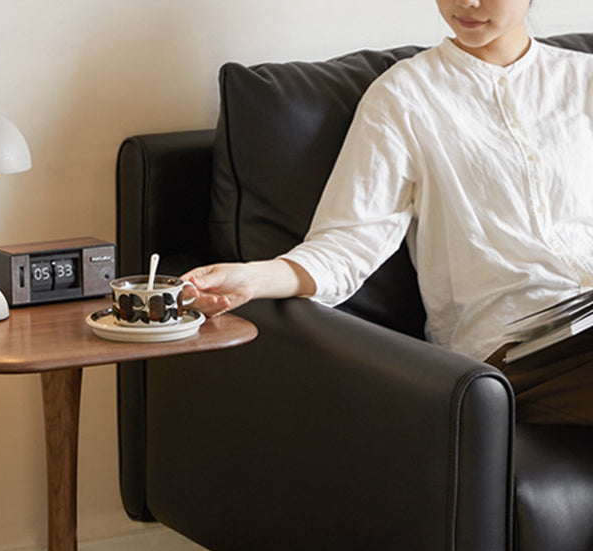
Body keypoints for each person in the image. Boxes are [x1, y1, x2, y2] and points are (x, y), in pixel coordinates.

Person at [183, 0, 593, 425]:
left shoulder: (583, 78)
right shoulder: (406, 95)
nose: (466, 2)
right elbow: (348, 243)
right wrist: (251, 277)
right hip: (513, 351)